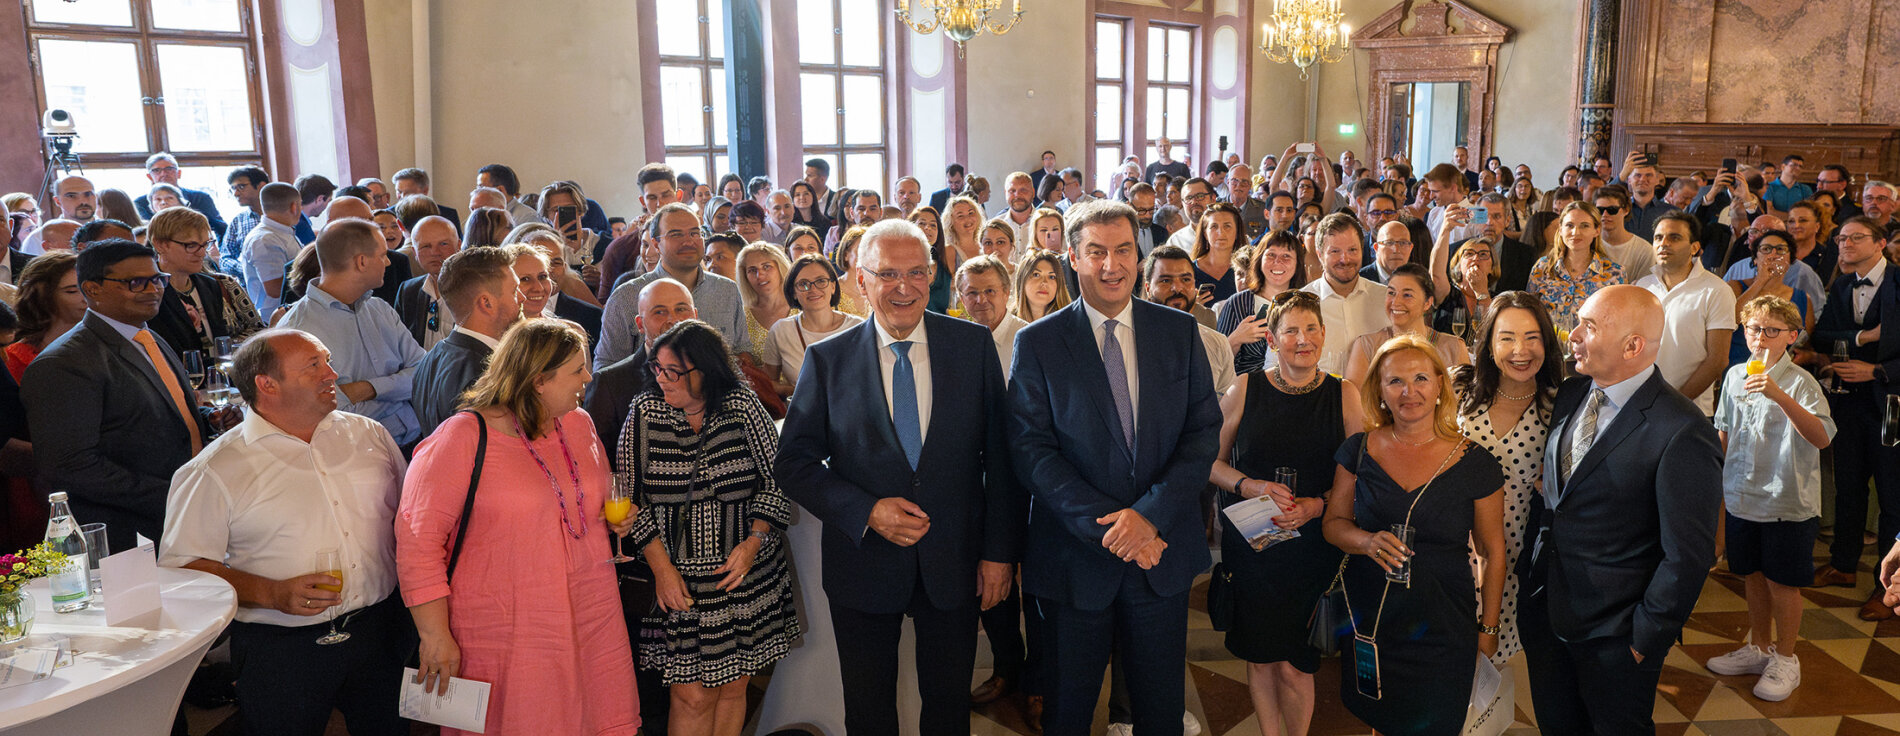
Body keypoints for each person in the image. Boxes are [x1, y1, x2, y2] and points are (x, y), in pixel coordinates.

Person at [775, 218, 1019, 735]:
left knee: (949, 707)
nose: (903, 287)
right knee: (868, 711)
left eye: (915, 272)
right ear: (859, 281)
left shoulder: (972, 346)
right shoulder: (828, 360)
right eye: (887, 274)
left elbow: (1002, 460)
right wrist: (865, 509)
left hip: (954, 562)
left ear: (932, 275)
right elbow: (793, 463)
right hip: (863, 565)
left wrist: (999, 554)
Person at [1008, 199, 1219, 734]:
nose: (1112, 265)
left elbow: (1201, 436)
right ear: (1072, 259)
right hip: (1075, 560)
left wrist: (1148, 517)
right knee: (1068, 712)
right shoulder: (1038, 343)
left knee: (1159, 711)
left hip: (1160, 554)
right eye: (1097, 252)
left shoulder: (1178, 331)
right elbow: (1032, 451)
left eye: (1124, 250)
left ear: (1138, 256)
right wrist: (1116, 528)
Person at [161, 329, 410, 736]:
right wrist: (271, 593)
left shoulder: (369, 435)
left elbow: (407, 521)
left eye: (327, 360)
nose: (332, 373)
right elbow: (182, 569)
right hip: (281, 649)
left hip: (379, 630)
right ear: (267, 384)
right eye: (313, 365)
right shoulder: (215, 468)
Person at [397, 318, 640, 735]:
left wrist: (612, 517)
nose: (588, 376)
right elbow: (418, 543)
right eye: (577, 370)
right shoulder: (462, 436)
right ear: (539, 380)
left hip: (591, 611)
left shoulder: (578, 423)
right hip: (508, 627)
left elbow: (584, 498)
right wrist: (434, 636)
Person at [1519, 285, 1724, 735]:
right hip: (1548, 613)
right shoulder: (1573, 393)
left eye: (1589, 327)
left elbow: (1688, 554)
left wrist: (1643, 637)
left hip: (1617, 635)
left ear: (1633, 346)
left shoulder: (1682, 429)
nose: (1572, 335)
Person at [1321, 334, 1507, 736]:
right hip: (1373, 619)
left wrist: (1488, 631)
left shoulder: (1476, 462)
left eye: (1421, 378)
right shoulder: (1357, 450)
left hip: (1444, 623)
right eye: (1395, 382)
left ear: (1440, 385)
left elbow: (1492, 552)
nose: (1410, 392)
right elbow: (1333, 524)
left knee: (1439, 724)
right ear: (1380, 391)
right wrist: (1367, 542)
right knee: (1381, 721)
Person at [620, 320, 799, 735]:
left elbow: (778, 483)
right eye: (657, 369)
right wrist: (663, 571)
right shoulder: (645, 413)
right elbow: (629, 501)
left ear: (705, 370)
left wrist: (753, 542)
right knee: (691, 695)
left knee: (734, 688)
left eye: (673, 372)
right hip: (679, 582)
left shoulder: (743, 406)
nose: (662, 380)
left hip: (744, 577)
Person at [1205, 289, 1361, 736]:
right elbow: (1209, 462)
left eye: (1311, 329)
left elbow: (1361, 473)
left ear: (1323, 335)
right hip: (1255, 542)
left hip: (1313, 545)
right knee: (1260, 654)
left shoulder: (1343, 394)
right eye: (1291, 330)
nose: (1302, 339)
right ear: (1272, 340)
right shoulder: (1245, 387)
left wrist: (1317, 506)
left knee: (1296, 662)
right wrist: (1249, 485)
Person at [21, 241, 231, 550]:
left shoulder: (146, 335)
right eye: (136, 283)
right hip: (128, 534)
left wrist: (209, 419)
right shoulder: (64, 362)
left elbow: (152, 414)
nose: (153, 289)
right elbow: (72, 466)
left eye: (158, 279)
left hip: (179, 518)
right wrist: (176, 494)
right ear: (92, 289)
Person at [1702, 295, 1835, 701]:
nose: (1760, 338)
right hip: (1743, 495)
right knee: (1752, 576)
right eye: (1754, 328)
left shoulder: (1801, 381)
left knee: (1782, 582)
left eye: (1771, 331)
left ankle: (1787, 657)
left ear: (1791, 337)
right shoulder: (1735, 374)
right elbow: (1724, 431)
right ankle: (1758, 647)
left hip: (1786, 500)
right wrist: (1716, 490)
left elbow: (1823, 436)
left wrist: (1778, 394)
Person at [1451, 292, 1563, 665]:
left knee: (1491, 663)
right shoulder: (1460, 391)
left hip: (1518, 557)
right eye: (1507, 337)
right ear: (1489, 342)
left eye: (1532, 337)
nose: (1521, 350)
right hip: (1451, 547)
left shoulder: (1560, 405)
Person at [1811, 216, 1900, 620]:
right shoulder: (1843, 284)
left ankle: (1890, 589)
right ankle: (1844, 565)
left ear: (1880, 243)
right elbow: (1822, 337)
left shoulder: (1898, 283)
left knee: (1893, 497)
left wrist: (1877, 371)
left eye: (1855, 237)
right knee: (1848, 487)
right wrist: (1864, 338)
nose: (1845, 244)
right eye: (1841, 238)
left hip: (1892, 402)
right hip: (1847, 403)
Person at [276, 219, 426, 446]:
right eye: (383, 255)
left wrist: (367, 389)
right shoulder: (297, 331)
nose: (387, 263)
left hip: (413, 441)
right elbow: (327, 410)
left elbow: (423, 374)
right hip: (353, 454)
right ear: (362, 262)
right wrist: (397, 386)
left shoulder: (380, 309)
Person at [601, 204, 749, 370]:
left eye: (695, 233)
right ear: (656, 244)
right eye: (676, 234)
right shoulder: (627, 297)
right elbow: (606, 368)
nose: (688, 241)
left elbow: (742, 353)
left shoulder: (726, 290)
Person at [410, 247, 524, 438]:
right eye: (514, 291)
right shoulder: (487, 375)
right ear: (486, 302)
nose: (523, 297)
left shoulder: (430, 358)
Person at [1636, 212, 1737, 414]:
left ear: (1695, 248)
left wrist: (1675, 403)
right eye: (1658, 237)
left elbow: (1717, 360)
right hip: (1641, 406)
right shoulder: (1643, 286)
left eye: (1674, 237)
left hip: (1690, 410)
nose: (1664, 243)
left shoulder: (1716, 290)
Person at [146, 206, 265, 357]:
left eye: (205, 244)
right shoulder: (149, 291)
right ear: (160, 244)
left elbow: (220, 343)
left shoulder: (209, 285)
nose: (202, 253)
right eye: (191, 245)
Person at [1342, 263, 1472, 386]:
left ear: (1427, 303)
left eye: (1407, 295)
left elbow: (1466, 404)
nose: (1396, 302)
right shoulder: (1366, 346)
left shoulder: (1453, 348)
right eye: (1391, 293)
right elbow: (1353, 401)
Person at [763, 255, 863, 396]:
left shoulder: (858, 327)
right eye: (803, 284)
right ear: (794, 293)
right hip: (805, 415)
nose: (813, 289)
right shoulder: (781, 331)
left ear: (833, 286)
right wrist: (798, 392)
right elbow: (768, 384)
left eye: (821, 281)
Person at [1143, 245, 1236, 394]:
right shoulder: (1130, 340)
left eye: (1186, 279)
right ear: (1148, 288)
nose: (1177, 288)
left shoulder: (1217, 343)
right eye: (1166, 281)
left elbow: (1227, 407)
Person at [1301, 213, 1386, 376]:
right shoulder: (1301, 304)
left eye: (1352, 250)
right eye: (1335, 251)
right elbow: (1276, 364)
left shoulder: (1385, 299)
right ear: (1320, 255)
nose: (1345, 259)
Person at [1529, 201, 1625, 332]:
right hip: (1548, 348)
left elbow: (1618, 323)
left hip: (1592, 350)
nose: (1576, 232)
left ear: (1597, 230)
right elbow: (1528, 314)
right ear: (1561, 229)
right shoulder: (1542, 267)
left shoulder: (1614, 273)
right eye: (1569, 225)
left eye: (1584, 226)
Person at [3, 253, 84, 381]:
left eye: (90, 289)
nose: (86, 299)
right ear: (42, 297)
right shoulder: (14, 358)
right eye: (72, 291)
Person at [394, 216, 464, 349]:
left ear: (459, 246)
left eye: (443, 244)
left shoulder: (474, 290)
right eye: (425, 246)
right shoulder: (409, 291)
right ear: (415, 252)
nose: (435, 252)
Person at [242, 182, 307, 315]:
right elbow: (275, 289)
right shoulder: (265, 240)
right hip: (276, 318)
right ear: (294, 207)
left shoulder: (282, 231)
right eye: (300, 204)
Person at [132, 153, 227, 240]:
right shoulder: (140, 203)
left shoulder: (200, 197)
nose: (164, 174)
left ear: (179, 173)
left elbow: (221, 229)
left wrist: (222, 255)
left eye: (169, 169)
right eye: (157, 170)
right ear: (149, 177)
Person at [735, 242, 795, 367]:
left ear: (780, 268)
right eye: (752, 270)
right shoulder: (742, 316)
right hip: (761, 386)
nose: (760, 275)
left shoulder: (802, 306)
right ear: (744, 276)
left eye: (766, 267)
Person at [1594, 186, 1656, 283]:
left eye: (1612, 210)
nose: (1605, 215)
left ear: (1626, 210)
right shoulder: (1588, 245)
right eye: (1600, 210)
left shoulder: (1644, 250)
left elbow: (1645, 287)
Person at [906, 206, 957, 314]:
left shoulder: (947, 256)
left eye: (933, 225)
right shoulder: (901, 264)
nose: (928, 228)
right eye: (922, 224)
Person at [1190, 203, 1243, 304]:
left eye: (1227, 226)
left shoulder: (1248, 270)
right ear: (1205, 233)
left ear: (1237, 232)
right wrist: (1192, 307)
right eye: (1214, 226)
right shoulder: (1190, 271)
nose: (1221, 232)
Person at [1010, 249, 1070, 323]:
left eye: (1051, 277)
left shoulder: (1070, 322)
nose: (1044, 282)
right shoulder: (1007, 323)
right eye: (1036, 275)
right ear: (1022, 280)